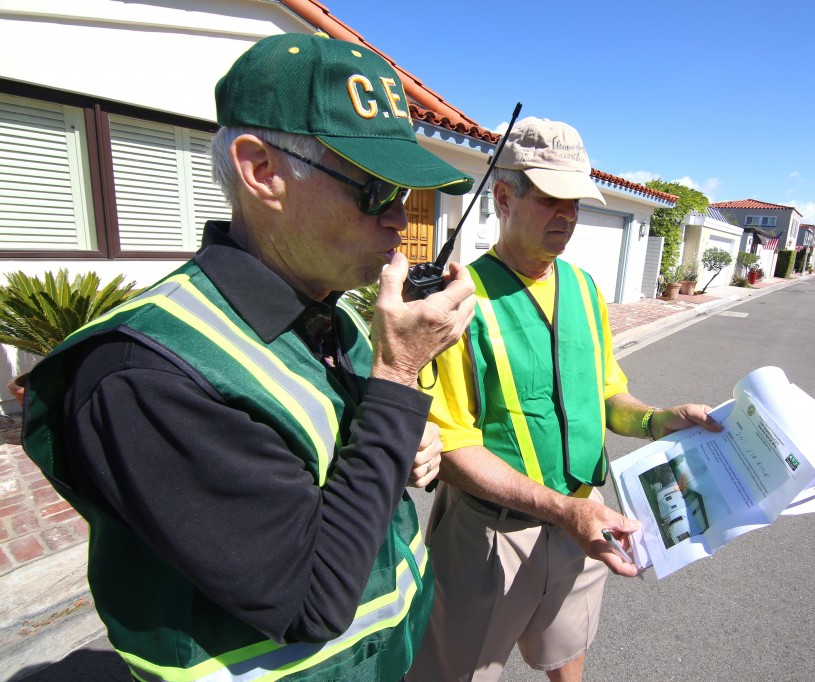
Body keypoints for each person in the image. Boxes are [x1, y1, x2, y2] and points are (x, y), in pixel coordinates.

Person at [21, 33, 478, 681]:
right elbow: (312, 601)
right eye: (376, 190)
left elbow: (330, 465)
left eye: (406, 196)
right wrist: (399, 378)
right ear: (261, 170)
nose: (399, 220)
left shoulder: (337, 314)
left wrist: (403, 435)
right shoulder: (147, 371)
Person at [406, 117, 723, 682]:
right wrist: (565, 511)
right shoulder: (460, 301)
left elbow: (605, 394)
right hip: (491, 538)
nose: (569, 216)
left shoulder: (582, 287)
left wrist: (654, 420)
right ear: (503, 197)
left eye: (576, 201)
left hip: (581, 523)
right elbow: (450, 448)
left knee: (569, 653)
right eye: (553, 199)